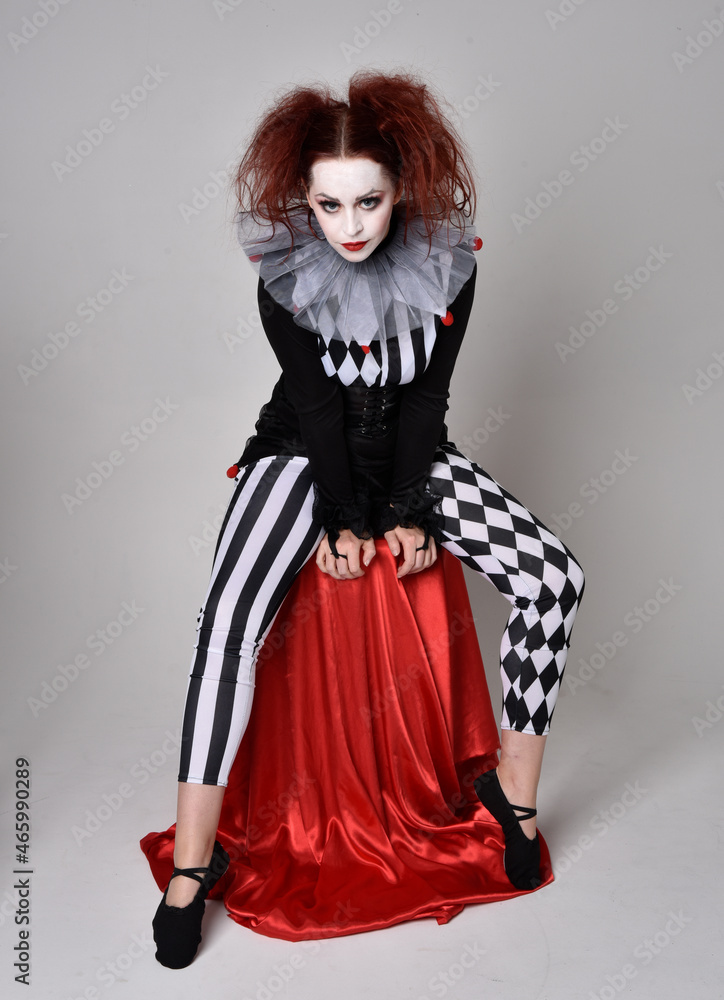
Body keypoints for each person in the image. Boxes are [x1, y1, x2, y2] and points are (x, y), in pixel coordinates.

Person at [151, 68, 585, 969]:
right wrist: (344, 520)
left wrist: (407, 506)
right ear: (302, 202)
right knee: (228, 615)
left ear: (401, 186)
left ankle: (515, 795)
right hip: (301, 455)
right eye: (329, 205)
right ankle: (195, 864)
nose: (350, 226)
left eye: (370, 201)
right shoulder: (285, 277)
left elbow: (428, 400)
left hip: (405, 459)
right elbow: (313, 409)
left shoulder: (450, 264)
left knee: (554, 578)